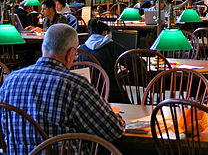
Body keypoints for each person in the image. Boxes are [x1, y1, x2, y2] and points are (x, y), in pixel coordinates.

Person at [0, 24, 125, 153]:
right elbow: (113, 130)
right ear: (70, 53)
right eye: (75, 54)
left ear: (43, 47)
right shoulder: (75, 85)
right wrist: (114, 113)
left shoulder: (9, 81)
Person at [78, 19, 127, 102]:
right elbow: (133, 61)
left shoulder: (80, 49)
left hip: (85, 94)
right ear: (105, 33)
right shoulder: (111, 46)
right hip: (109, 92)